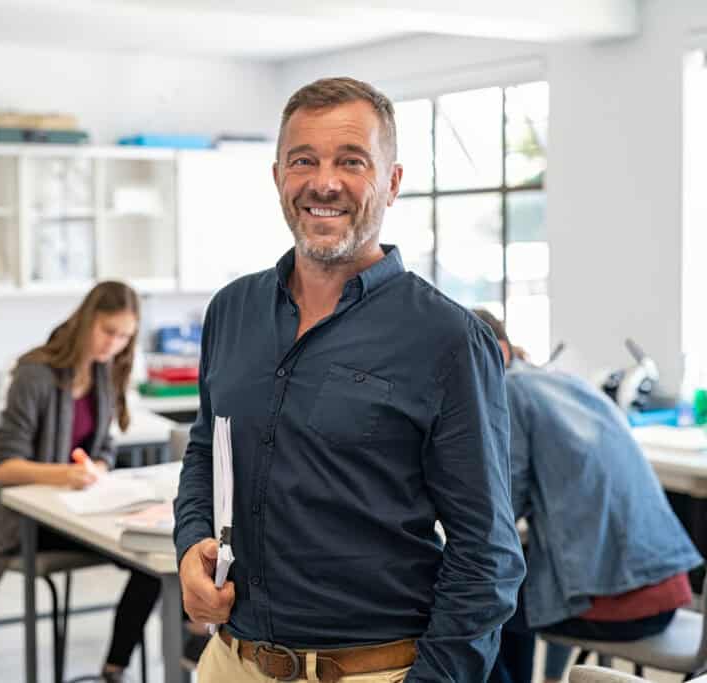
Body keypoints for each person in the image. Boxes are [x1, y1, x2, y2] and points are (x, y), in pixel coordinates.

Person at [172, 76, 526, 682]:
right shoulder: (231, 311)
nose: (323, 182)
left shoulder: (446, 338)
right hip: (233, 662)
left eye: (351, 161)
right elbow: (208, 451)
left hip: (372, 671)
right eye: (302, 160)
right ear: (278, 176)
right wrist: (190, 547)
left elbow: (486, 553)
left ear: (391, 182)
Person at [470, 309, 703, 683]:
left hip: (626, 603)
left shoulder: (508, 391)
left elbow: (500, 509)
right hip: (669, 588)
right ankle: (549, 678)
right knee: (526, 576)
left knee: (483, 604)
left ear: (497, 351)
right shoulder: (564, 383)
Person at [0, 280, 160, 683]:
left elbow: (105, 448)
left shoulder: (102, 374)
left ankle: (123, 663)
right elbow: (3, 467)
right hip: (36, 522)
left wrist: (96, 464)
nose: (113, 344)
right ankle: (123, 668)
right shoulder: (35, 374)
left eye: (124, 337)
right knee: (150, 560)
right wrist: (66, 474)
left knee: (160, 554)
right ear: (86, 321)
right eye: (107, 331)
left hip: (84, 508)